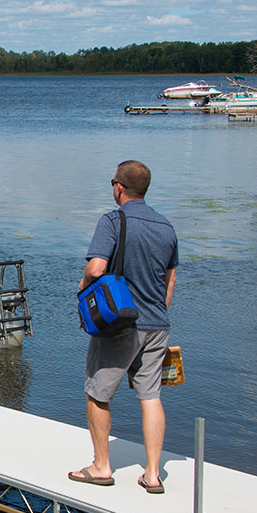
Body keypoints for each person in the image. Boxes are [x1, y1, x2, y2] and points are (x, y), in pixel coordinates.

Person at [69, 160, 178, 493]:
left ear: (118, 186)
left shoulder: (113, 221)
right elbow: (169, 280)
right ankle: (153, 474)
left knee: (98, 393)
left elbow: (97, 268)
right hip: (157, 322)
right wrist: (156, 310)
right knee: (151, 396)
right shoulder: (166, 227)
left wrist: (82, 285)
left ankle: (102, 466)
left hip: (120, 324)